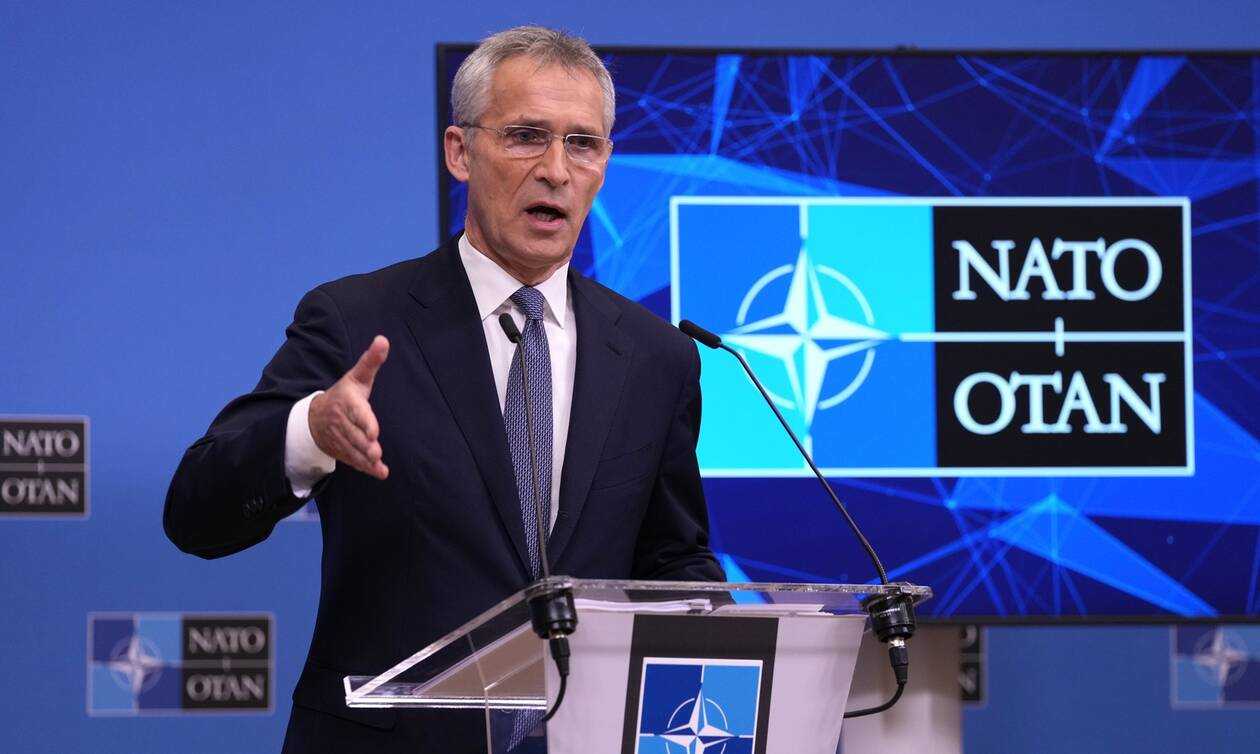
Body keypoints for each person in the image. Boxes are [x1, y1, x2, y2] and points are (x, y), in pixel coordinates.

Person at [163, 25, 724, 753]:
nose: (556, 170)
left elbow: (672, 558)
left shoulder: (656, 357)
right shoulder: (356, 321)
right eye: (526, 137)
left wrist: (729, 635)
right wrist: (310, 432)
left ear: (604, 164)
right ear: (460, 152)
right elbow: (196, 513)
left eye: (582, 144)